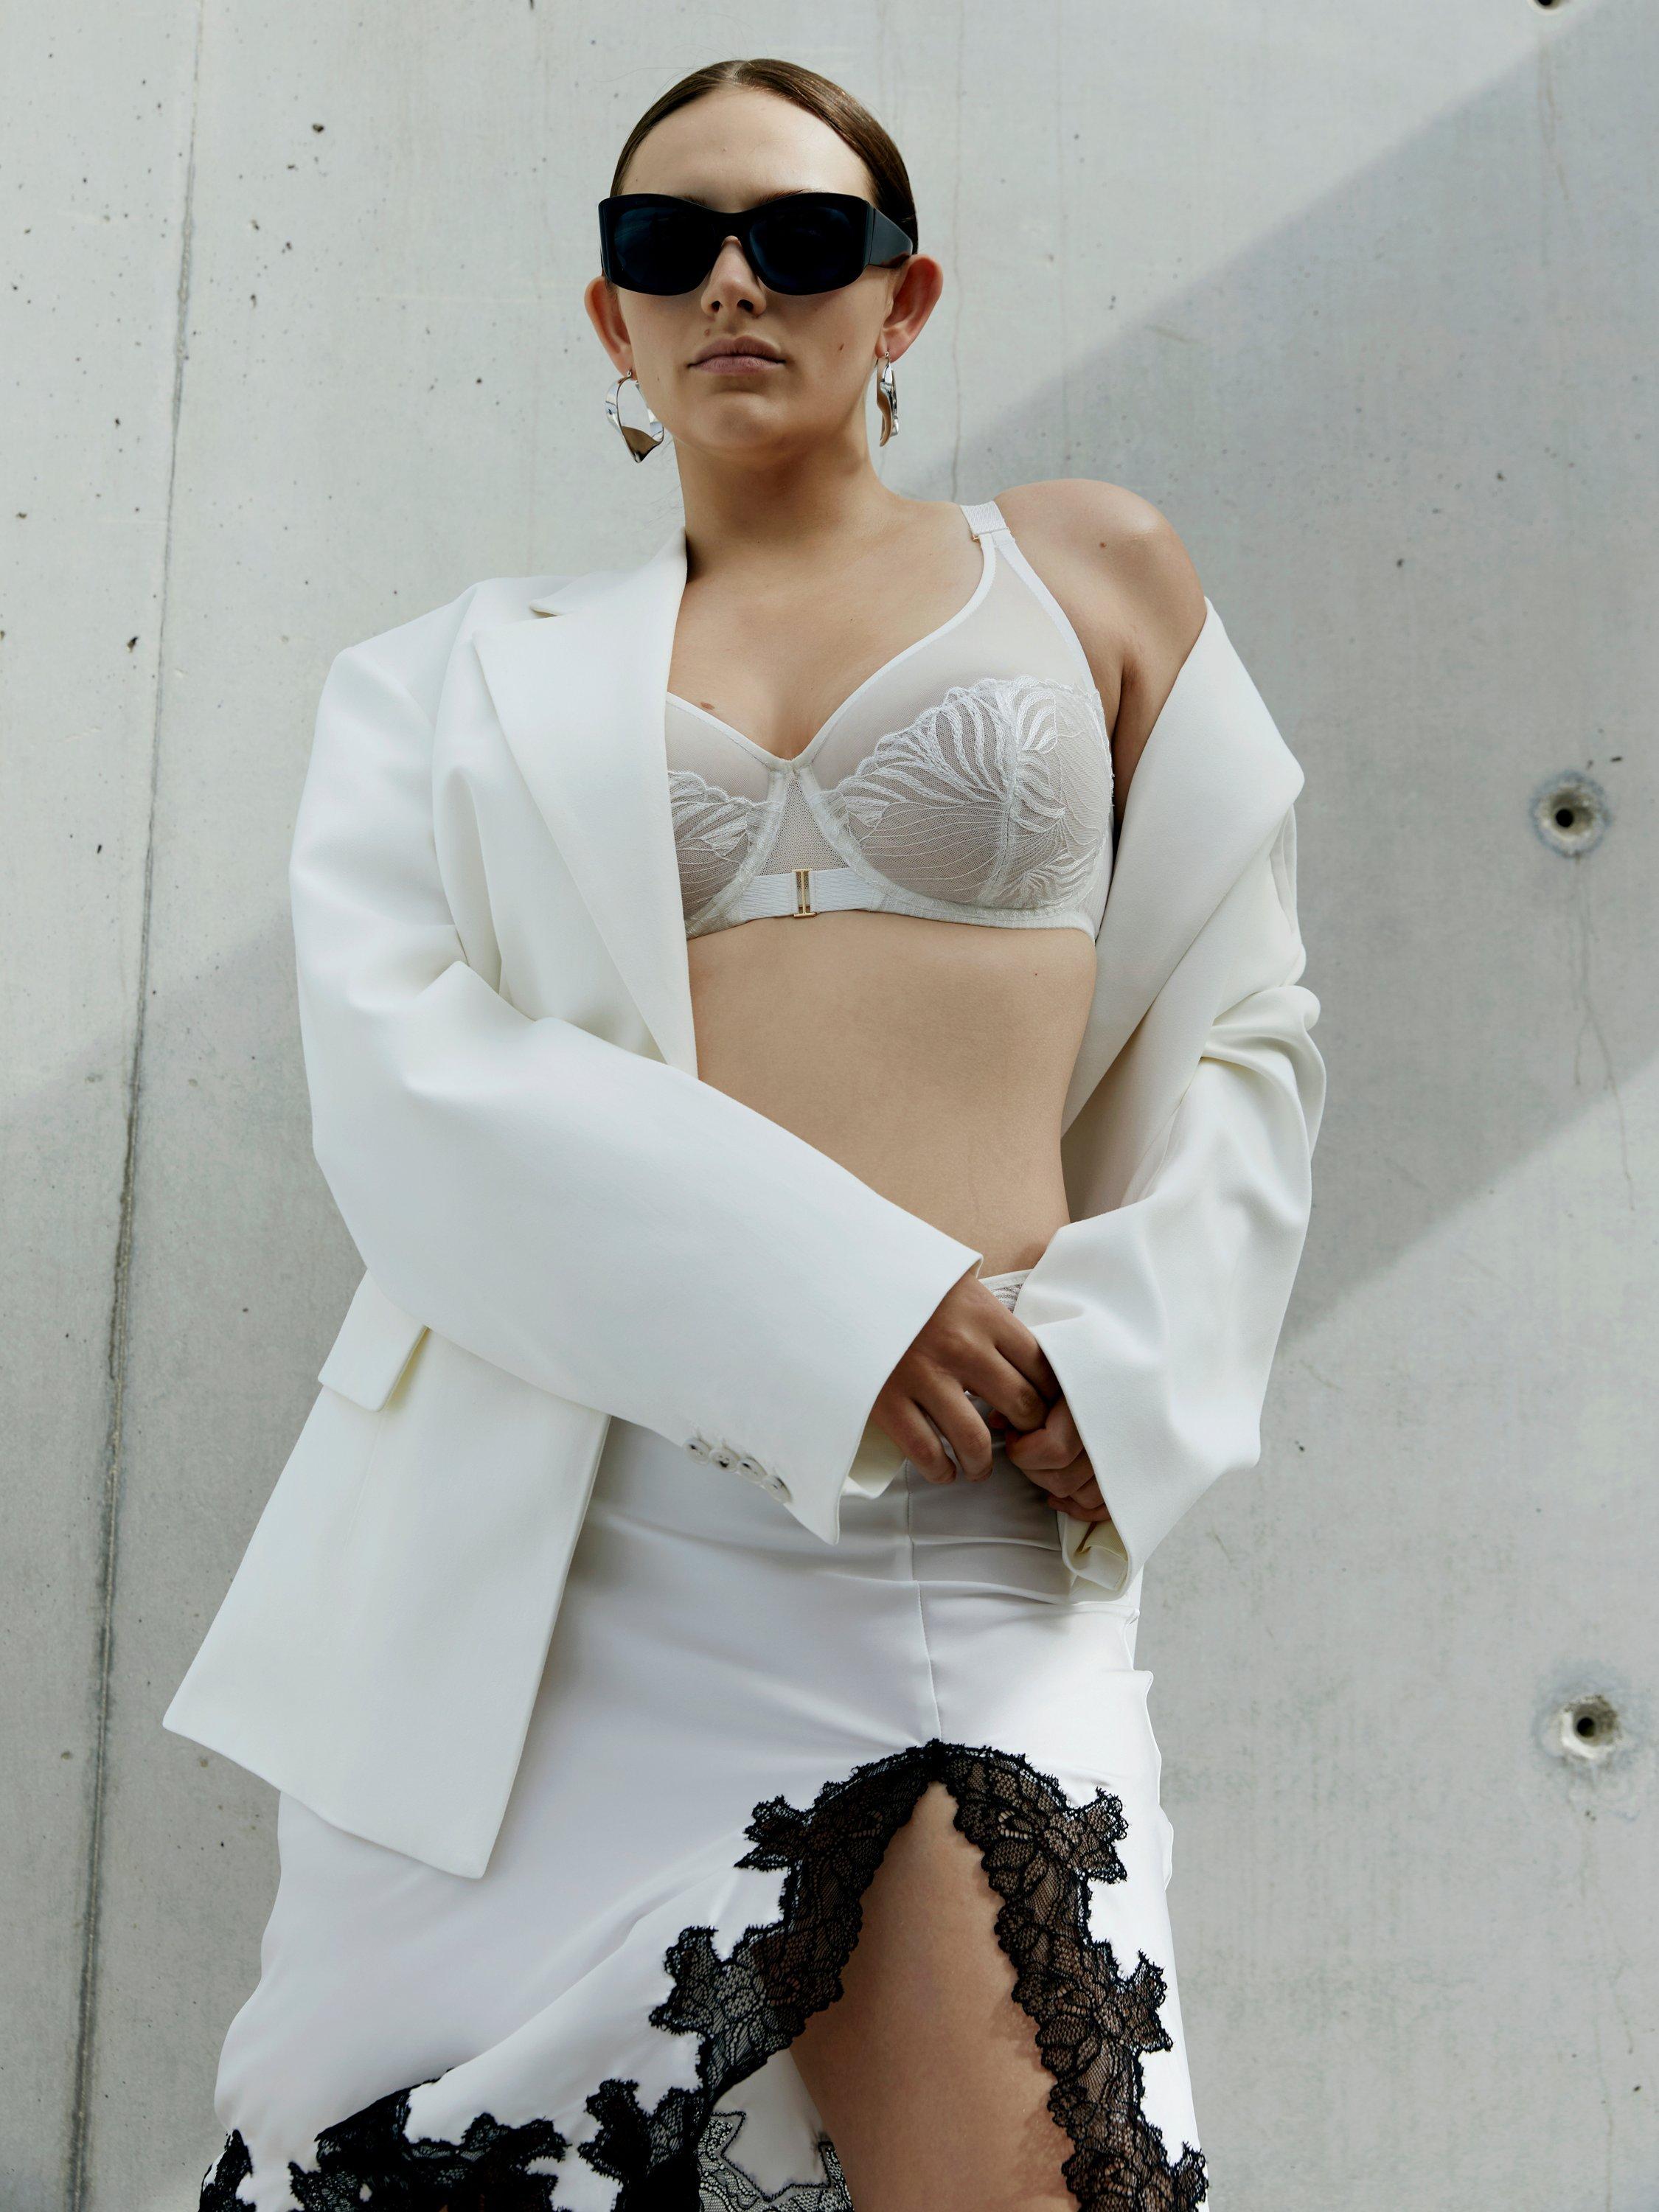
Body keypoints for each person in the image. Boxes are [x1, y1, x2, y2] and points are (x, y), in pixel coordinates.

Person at [172, 54, 1325, 2212]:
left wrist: (1133, 1357)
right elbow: (411, 1093)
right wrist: (840, 1302)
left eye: (798, 239)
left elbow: (1242, 1018)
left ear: (904, 298)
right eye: (665, 242)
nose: (731, 282)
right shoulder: (440, 684)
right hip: (570, 1557)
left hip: (969, 1532)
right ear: (607, 315)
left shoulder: (1090, 573)